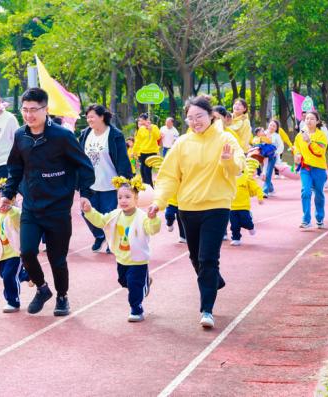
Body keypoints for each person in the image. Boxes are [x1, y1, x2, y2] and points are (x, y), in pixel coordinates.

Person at [148, 96, 245, 329]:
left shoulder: (226, 138)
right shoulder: (182, 143)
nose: (194, 121)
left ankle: (207, 310)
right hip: (188, 208)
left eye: (199, 116)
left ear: (210, 115)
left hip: (217, 206)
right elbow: (169, 176)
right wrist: (158, 202)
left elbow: (238, 168)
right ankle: (214, 280)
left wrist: (228, 160)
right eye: (190, 118)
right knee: (195, 258)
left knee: (207, 258)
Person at [0, 88, 95, 317]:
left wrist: (85, 193)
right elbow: (15, 168)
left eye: (34, 110)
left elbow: (85, 166)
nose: (29, 115)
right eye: (25, 109)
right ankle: (42, 289)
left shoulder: (62, 137)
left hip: (58, 207)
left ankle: (62, 296)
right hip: (31, 206)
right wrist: (8, 193)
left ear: (46, 110)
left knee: (57, 258)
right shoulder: (20, 135)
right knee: (28, 252)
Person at [82, 176, 160, 322]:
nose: (123, 200)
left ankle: (136, 309)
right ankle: (146, 283)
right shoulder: (115, 215)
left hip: (138, 261)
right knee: (124, 281)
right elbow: (101, 221)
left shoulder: (142, 217)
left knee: (134, 286)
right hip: (121, 258)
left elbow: (152, 229)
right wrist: (89, 211)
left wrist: (153, 219)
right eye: (120, 197)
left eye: (128, 197)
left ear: (136, 199)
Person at [79, 104, 133, 253]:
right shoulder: (85, 134)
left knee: (109, 216)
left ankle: (111, 241)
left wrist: (124, 181)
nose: (89, 120)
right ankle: (99, 236)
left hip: (110, 184)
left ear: (102, 117)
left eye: (92, 116)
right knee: (85, 212)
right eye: (87, 117)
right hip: (90, 184)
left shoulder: (114, 134)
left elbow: (122, 158)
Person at [0, 178, 33, 313]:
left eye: (3, 201)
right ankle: (27, 276)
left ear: (12, 200)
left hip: (15, 252)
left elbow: (16, 220)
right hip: (1, 253)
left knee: (9, 276)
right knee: (5, 274)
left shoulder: (16, 213)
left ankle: (13, 301)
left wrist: (11, 209)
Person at [293, 111, 328, 229]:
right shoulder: (299, 135)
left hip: (319, 169)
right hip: (305, 168)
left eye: (312, 118)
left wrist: (309, 141)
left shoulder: (321, 135)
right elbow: (296, 148)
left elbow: (320, 152)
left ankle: (319, 217)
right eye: (307, 118)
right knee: (306, 192)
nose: (309, 121)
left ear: (317, 121)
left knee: (318, 194)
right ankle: (306, 219)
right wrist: (297, 154)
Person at [230, 157, 264, 246]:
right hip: (232, 207)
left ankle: (250, 226)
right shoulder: (229, 178)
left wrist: (260, 198)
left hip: (244, 206)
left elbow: (257, 188)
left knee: (245, 221)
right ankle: (236, 238)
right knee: (234, 225)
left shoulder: (246, 178)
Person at [132, 113, 161, 185]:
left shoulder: (154, 127)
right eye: (139, 121)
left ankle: (150, 187)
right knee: (142, 171)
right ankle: (145, 187)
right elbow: (138, 141)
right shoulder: (141, 129)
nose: (140, 122)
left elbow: (158, 137)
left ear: (147, 120)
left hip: (151, 152)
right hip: (142, 153)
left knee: (147, 170)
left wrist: (151, 130)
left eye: (141, 121)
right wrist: (134, 151)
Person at [262, 120, 284, 197]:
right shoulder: (264, 133)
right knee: (264, 173)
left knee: (268, 173)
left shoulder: (277, 136)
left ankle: (265, 191)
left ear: (276, 128)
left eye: (274, 126)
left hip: (272, 157)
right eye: (270, 125)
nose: (271, 127)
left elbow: (281, 146)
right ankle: (271, 188)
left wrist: (276, 153)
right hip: (264, 157)